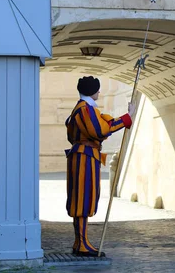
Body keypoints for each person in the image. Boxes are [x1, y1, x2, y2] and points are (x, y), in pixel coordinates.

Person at [65, 76, 135, 257]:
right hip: (85, 157)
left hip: (83, 155)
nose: (99, 92)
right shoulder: (85, 109)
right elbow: (101, 130)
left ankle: (80, 241)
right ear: (91, 90)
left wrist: (124, 118)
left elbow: (101, 125)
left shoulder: (82, 109)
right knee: (83, 199)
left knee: (82, 198)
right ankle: (81, 244)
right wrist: (126, 119)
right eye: (97, 89)